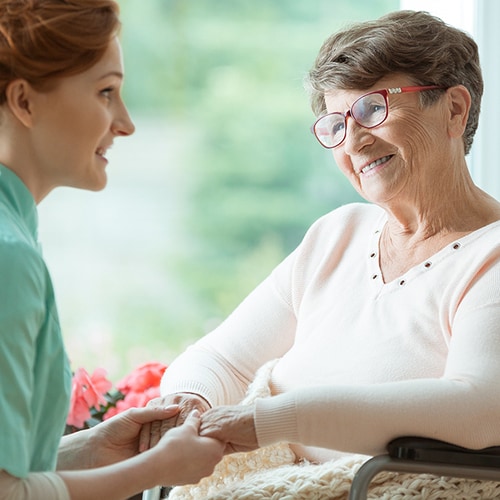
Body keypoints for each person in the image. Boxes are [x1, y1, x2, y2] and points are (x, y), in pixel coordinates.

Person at [148, 9, 500, 470]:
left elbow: (479, 409)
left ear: (454, 109)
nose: (353, 142)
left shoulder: (488, 256)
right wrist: (187, 405)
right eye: (336, 124)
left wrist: (271, 421)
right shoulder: (338, 234)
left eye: (372, 108)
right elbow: (222, 359)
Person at [0, 1, 224, 499]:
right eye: (105, 92)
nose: (125, 123)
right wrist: (153, 471)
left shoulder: (16, 234)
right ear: (24, 101)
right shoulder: (8, 257)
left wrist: (94, 449)